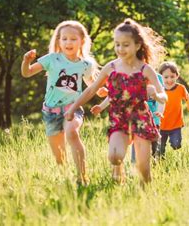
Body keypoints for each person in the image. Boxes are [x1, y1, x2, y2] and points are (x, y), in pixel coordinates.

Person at [65, 19, 167, 185]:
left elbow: (164, 95)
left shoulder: (145, 69)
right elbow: (91, 90)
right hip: (119, 119)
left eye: (125, 45)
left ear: (138, 45)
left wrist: (156, 95)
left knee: (143, 168)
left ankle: (146, 195)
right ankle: (118, 173)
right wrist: (74, 107)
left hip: (141, 118)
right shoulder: (111, 67)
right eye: (117, 44)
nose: (120, 49)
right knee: (114, 156)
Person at [21, 20, 105, 185]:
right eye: (64, 38)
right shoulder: (52, 59)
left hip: (72, 109)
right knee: (59, 156)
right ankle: (66, 178)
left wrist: (100, 91)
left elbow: (90, 83)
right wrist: (26, 61)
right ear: (58, 41)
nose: (68, 42)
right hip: (51, 112)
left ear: (82, 41)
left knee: (72, 133)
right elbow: (27, 73)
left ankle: (83, 177)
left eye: (73, 39)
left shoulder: (86, 64)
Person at [156, 61, 189, 156]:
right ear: (161, 77)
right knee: (160, 149)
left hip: (176, 124)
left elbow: (187, 97)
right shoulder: (159, 89)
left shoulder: (180, 88)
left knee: (176, 145)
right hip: (161, 124)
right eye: (166, 77)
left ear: (177, 76)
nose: (169, 80)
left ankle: (173, 142)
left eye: (172, 76)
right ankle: (160, 161)